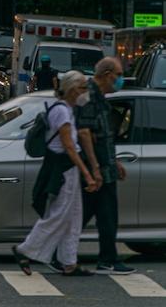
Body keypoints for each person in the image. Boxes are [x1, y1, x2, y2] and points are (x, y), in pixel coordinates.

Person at [12, 70, 97, 276]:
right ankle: (24, 249)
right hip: (63, 169)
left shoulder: (68, 109)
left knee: (74, 216)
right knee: (59, 215)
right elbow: (69, 146)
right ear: (73, 89)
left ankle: (69, 262)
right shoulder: (62, 111)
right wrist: (87, 174)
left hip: (68, 168)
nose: (86, 92)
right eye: (84, 87)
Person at [76, 56, 135, 275]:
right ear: (107, 74)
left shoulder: (99, 97)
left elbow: (101, 136)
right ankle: (108, 259)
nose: (120, 80)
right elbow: (85, 133)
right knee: (106, 215)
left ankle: (58, 252)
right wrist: (96, 168)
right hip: (98, 169)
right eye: (118, 75)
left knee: (94, 215)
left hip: (104, 166)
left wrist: (114, 161)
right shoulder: (89, 97)